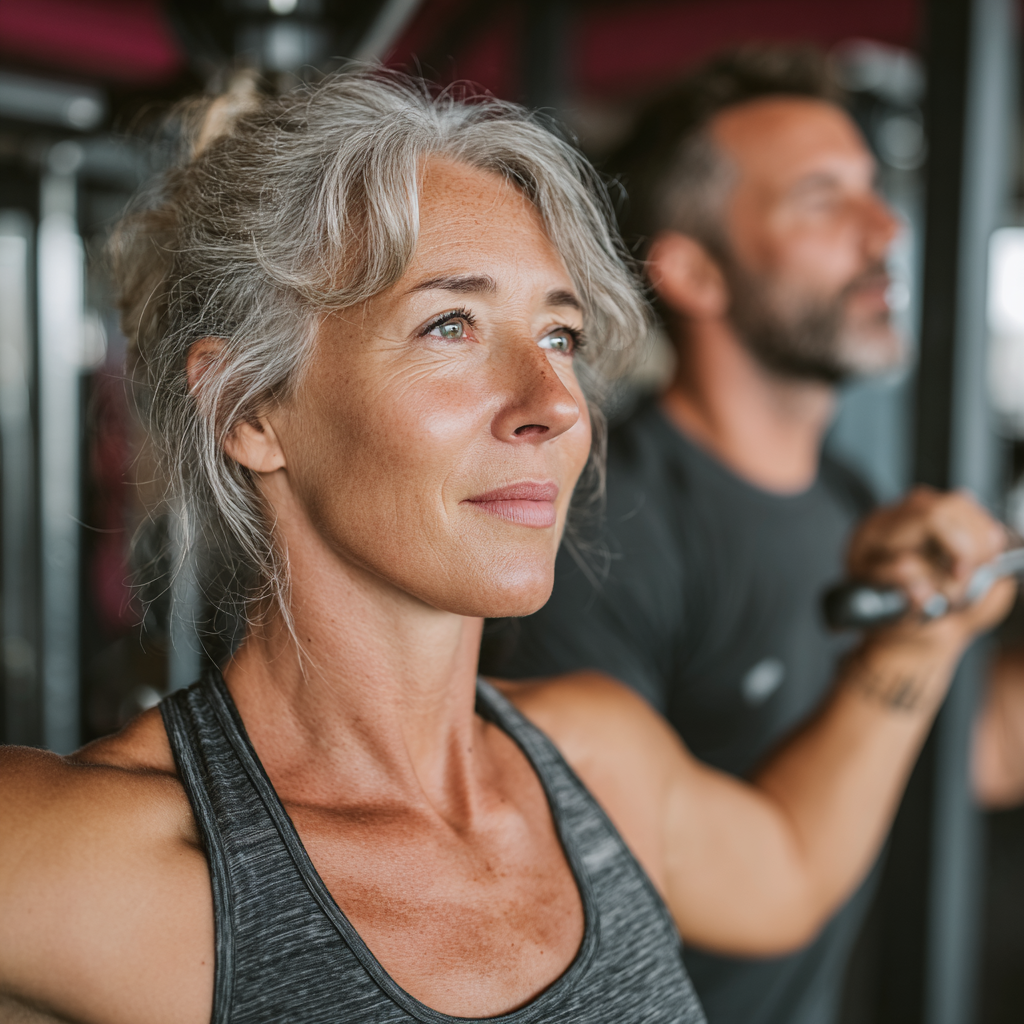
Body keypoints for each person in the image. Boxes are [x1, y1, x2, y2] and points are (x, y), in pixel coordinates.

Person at [0, 70, 1011, 1024]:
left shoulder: (599, 757)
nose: (554, 403)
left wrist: (913, 651)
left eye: (559, 336)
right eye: (450, 324)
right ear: (249, 405)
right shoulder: (90, 857)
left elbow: (788, 872)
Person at [479, 46, 995, 1024]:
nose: (883, 227)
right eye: (820, 198)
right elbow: (604, 891)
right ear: (694, 270)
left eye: (873, 193)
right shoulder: (599, 529)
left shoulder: (851, 497)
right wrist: (916, 647)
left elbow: (964, 749)